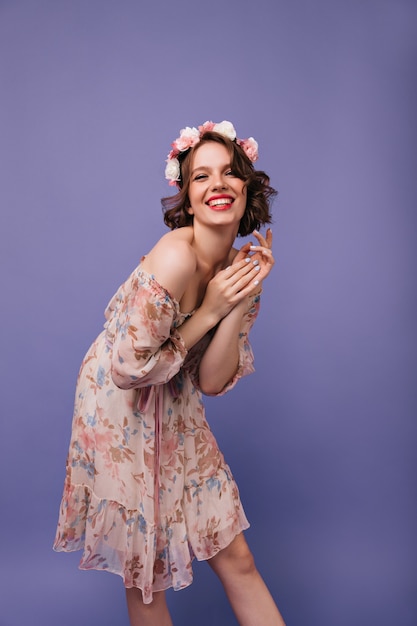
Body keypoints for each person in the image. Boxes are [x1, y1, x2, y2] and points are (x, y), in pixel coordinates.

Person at [54, 120, 286, 626]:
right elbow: (127, 369)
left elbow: (210, 381)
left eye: (229, 173)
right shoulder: (175, 258)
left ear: (248, 187)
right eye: (201, 177)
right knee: (148, 576)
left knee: (238, 559)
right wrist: (209, 310)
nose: (217, 185)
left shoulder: (240, 268)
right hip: (121, 404)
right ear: (187, 194)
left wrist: (236, 300)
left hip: (176, 396)